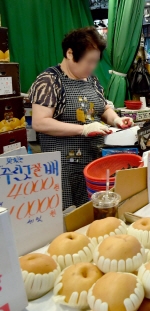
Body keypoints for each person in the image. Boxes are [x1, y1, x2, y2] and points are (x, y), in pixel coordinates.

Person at [29, 27, 134, 210]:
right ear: (70, 53)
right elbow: (40, 122)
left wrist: (116, 120)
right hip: (63, 170)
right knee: (71, 221)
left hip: (94, 165)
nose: (92, 67)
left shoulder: (91, 80)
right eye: (89, 61)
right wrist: (83, 129)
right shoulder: (49, 81)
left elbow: (103, 108)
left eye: (95, 62)